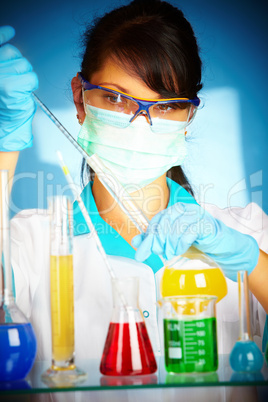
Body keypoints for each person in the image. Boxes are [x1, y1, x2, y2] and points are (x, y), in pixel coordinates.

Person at [0, 0, 268, 365]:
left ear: (189, 114)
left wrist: (250, 262)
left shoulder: (247, 233)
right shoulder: (27, 243)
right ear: (80, 98)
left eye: (165, 106)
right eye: (115, 98)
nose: (141, 124)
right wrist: (4, 149)